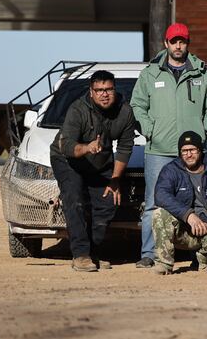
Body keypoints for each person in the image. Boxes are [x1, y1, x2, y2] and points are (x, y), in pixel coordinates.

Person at [130, 22, 207, 268]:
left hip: (193, 151)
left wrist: (205, 131)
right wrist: (150, 130)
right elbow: (137, 105)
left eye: (182, 41)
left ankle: (198, 252)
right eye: (174, 41)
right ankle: (149, 253)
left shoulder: (202, 73)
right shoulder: (150, 73)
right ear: (166, 43)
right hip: (159, 149)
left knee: (198, 201)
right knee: (153, 201)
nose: (178, 45)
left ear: (188, 43)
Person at [49, 70, 136, 272]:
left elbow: (125, 148)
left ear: (115, 90)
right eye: (99, 90)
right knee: (75, 200)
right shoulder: (78, 109)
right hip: (68, 159)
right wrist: (86, 148)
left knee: (107, 204)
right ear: (91, 92)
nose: (104, 94)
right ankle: (80, 255)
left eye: (108, 90)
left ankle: (92, 252)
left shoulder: (125, 112)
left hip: (100, 161)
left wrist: (115, 179)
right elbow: (67, 145)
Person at [152, 131, 207, 275]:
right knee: (159, 214)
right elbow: (161, 195)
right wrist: (188, 215)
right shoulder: (171, 170)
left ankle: (203, 261)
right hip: (183, 230)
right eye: (184, 151)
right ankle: (164, 263)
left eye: (192, 150)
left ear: (201, 150)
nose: (188, 155)